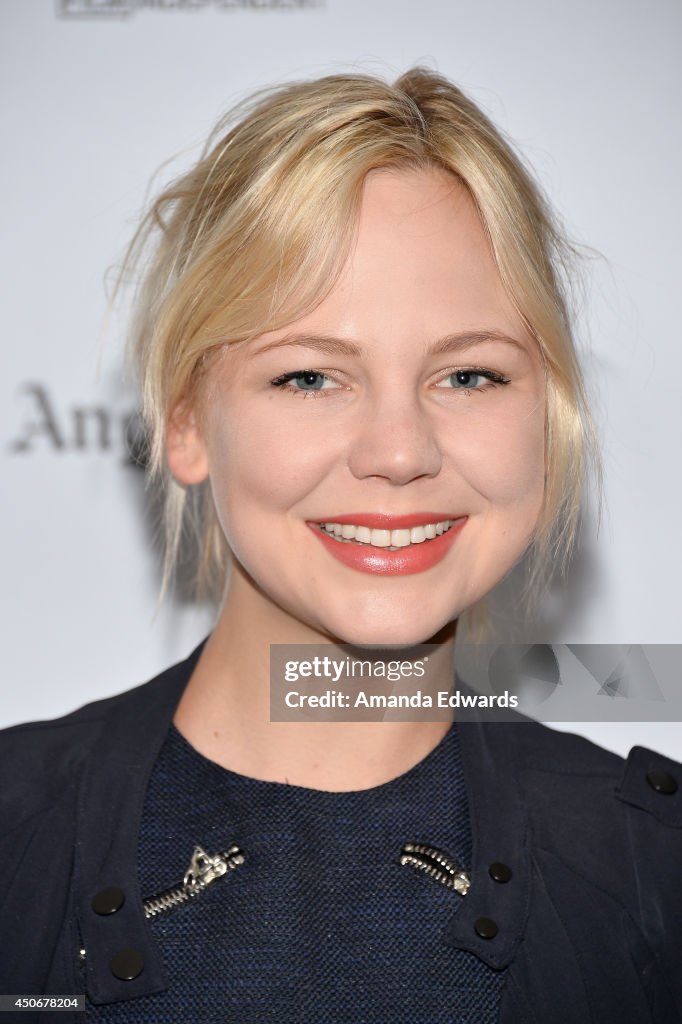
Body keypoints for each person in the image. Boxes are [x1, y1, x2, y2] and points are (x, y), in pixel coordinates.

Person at [1, 67, 680, 1024]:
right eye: (312, 378)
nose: (400, 453)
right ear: (186, 422)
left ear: (549, 420)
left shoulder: (653, 868)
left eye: (472, 375)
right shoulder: (14, 841)